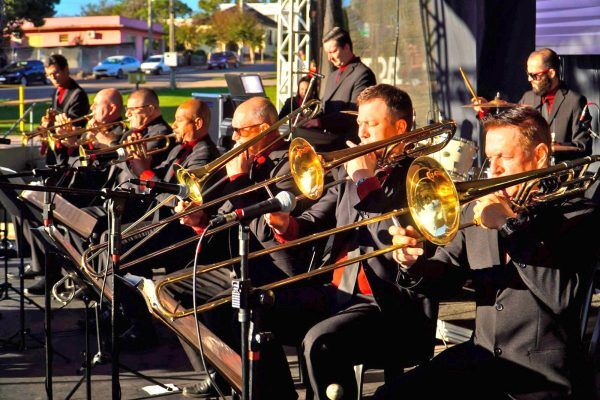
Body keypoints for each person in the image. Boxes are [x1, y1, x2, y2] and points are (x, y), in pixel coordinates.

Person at [375, 106, 599, 399]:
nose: (494, 170)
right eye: (490, 158)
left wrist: (508, 226)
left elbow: (562, 298)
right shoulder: (478, 210)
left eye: (504, 157)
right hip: (480, 359)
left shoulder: (579, 214)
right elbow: (444, 280)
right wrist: (413, 263)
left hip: (543, 376)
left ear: (540, 155)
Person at [262, 84, 438, 399]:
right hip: (337, 293)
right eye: (360, 124)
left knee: (321, 342)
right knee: (255, 311)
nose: (362, 132)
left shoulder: (421, 178)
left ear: (399, 128)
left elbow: (396, 239)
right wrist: (285, 225)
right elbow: (314, 222)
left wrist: (364, 180)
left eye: (371, 124)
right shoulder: (352, 173)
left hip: (388, 305)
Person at [178, 96, 315, 398]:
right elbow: (228, 219)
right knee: (173, 293)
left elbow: (269, 226)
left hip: (281, 270)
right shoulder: (248, 163)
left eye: (240, 131)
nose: (233, 138)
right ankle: (223, 371)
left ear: (265, 129)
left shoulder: (290, 163)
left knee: (232, 308)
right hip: (245, 266)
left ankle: (270, 391)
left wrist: (237, 179)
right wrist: (201, 221)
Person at [474, 48, 591, 162]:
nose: (529, 79)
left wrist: (552, 148)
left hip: (559, 174)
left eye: (534, 75)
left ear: (551, 73)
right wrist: (485, 112)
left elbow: (582, 146)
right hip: (531, 172)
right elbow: (507, 129)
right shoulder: (528, 98)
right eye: (528, 74)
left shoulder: (575, 101)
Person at [303, 26, 376, 148]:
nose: (329, 58)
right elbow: (326, 109)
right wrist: (307, 119)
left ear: (346, 47)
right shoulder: (332, 76)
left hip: (346, 144)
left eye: (333, 51)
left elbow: (355, 113)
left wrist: (319, 122)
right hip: (327, 141)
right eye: (327, 53)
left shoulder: (363, 74)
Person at [43, 54, 90, 166]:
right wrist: (47, 122)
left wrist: (51, 124)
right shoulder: (57, 91)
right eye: (49, 75)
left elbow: (74, 123)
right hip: (57, 148)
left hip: (71, 151)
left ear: (66, 70)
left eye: (56, 72)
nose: (53, 77)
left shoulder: (78, 94)